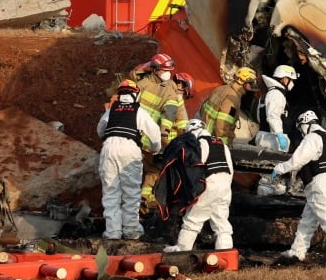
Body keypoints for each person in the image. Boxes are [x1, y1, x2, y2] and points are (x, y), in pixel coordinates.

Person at [272, 110, 326, 263]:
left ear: (305, 124)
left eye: (301, 128)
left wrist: (279, 168)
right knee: (308, 221)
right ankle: (297, 251)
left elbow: (297, 161)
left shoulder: (312, 138)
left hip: (319, 183)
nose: (301, 132)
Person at [97, 80, 162, 241]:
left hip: (109, 148)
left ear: (120, 94)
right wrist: (155, 150)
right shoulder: (139, 111)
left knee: (111, 192)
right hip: (130, 148)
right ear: (135, 93)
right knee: (130, 192)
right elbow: (154, 134)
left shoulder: (112, 111)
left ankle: (112, 232)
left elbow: (100, 130)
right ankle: (131, 230)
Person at [160, 119, 234, 252]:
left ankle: (182, 251)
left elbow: (195, 170)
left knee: (193, 220)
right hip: (225, 186)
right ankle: (225, 253)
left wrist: (191, 192)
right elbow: (230, 168)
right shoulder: (222, 144)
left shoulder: (199, 144)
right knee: (221, 222)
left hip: (208, 184)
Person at [130, 52, 188, 208]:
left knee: (138, 172)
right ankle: (143, 202)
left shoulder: (142, 84)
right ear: (155, 69)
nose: (168, 74)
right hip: (149, 142)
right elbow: (169, 115)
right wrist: (164, 138)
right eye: (165, 70)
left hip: (135, 138)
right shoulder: (167, 90)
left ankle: (137, 201)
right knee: (151, 172)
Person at [197, 67, 257, 145]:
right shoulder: (233, 99)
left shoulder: (221, 88)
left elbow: (203, 109)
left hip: (203, 134)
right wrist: (223, 145)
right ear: (242, 81)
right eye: (251, 83)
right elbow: (223, 123)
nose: (252, 86)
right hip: (212, 140)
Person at [257, 64, 299, 151]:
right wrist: (280, 135)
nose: (292, 83)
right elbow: (273, 116)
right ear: (285, 79)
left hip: (267, 136)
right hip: (272, 140)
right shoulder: (276, 94)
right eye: (291, 80)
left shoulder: (270, 92)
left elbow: (259, 116)